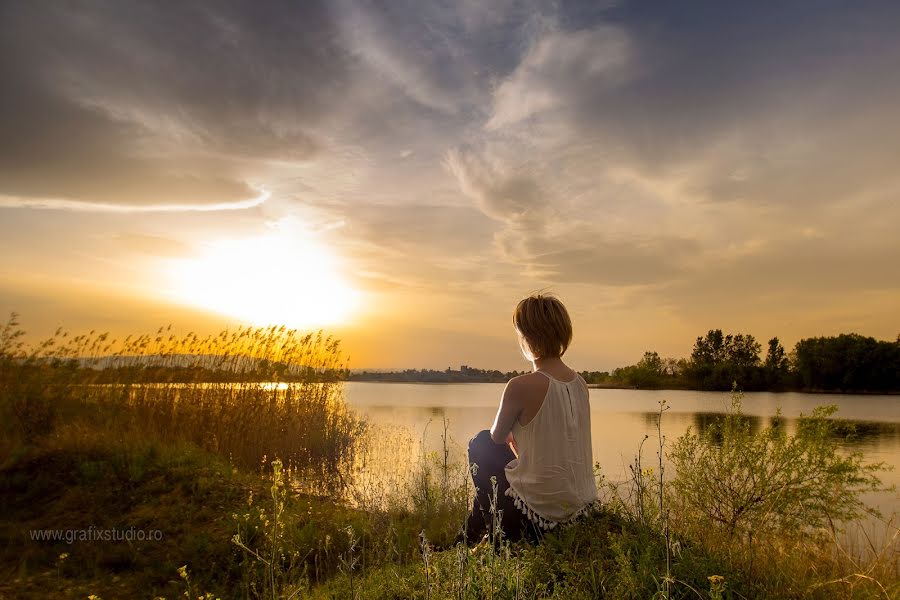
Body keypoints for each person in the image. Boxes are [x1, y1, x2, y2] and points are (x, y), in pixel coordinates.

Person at [462, 293, 600, 549]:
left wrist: (511, 438)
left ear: (527, 336)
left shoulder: (520, 385)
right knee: (499, 454)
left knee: (479, 443)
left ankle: (496, 539)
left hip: (540, 517)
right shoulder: (581, 383)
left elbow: (495, 439)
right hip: (581, 510)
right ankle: (471, 535)